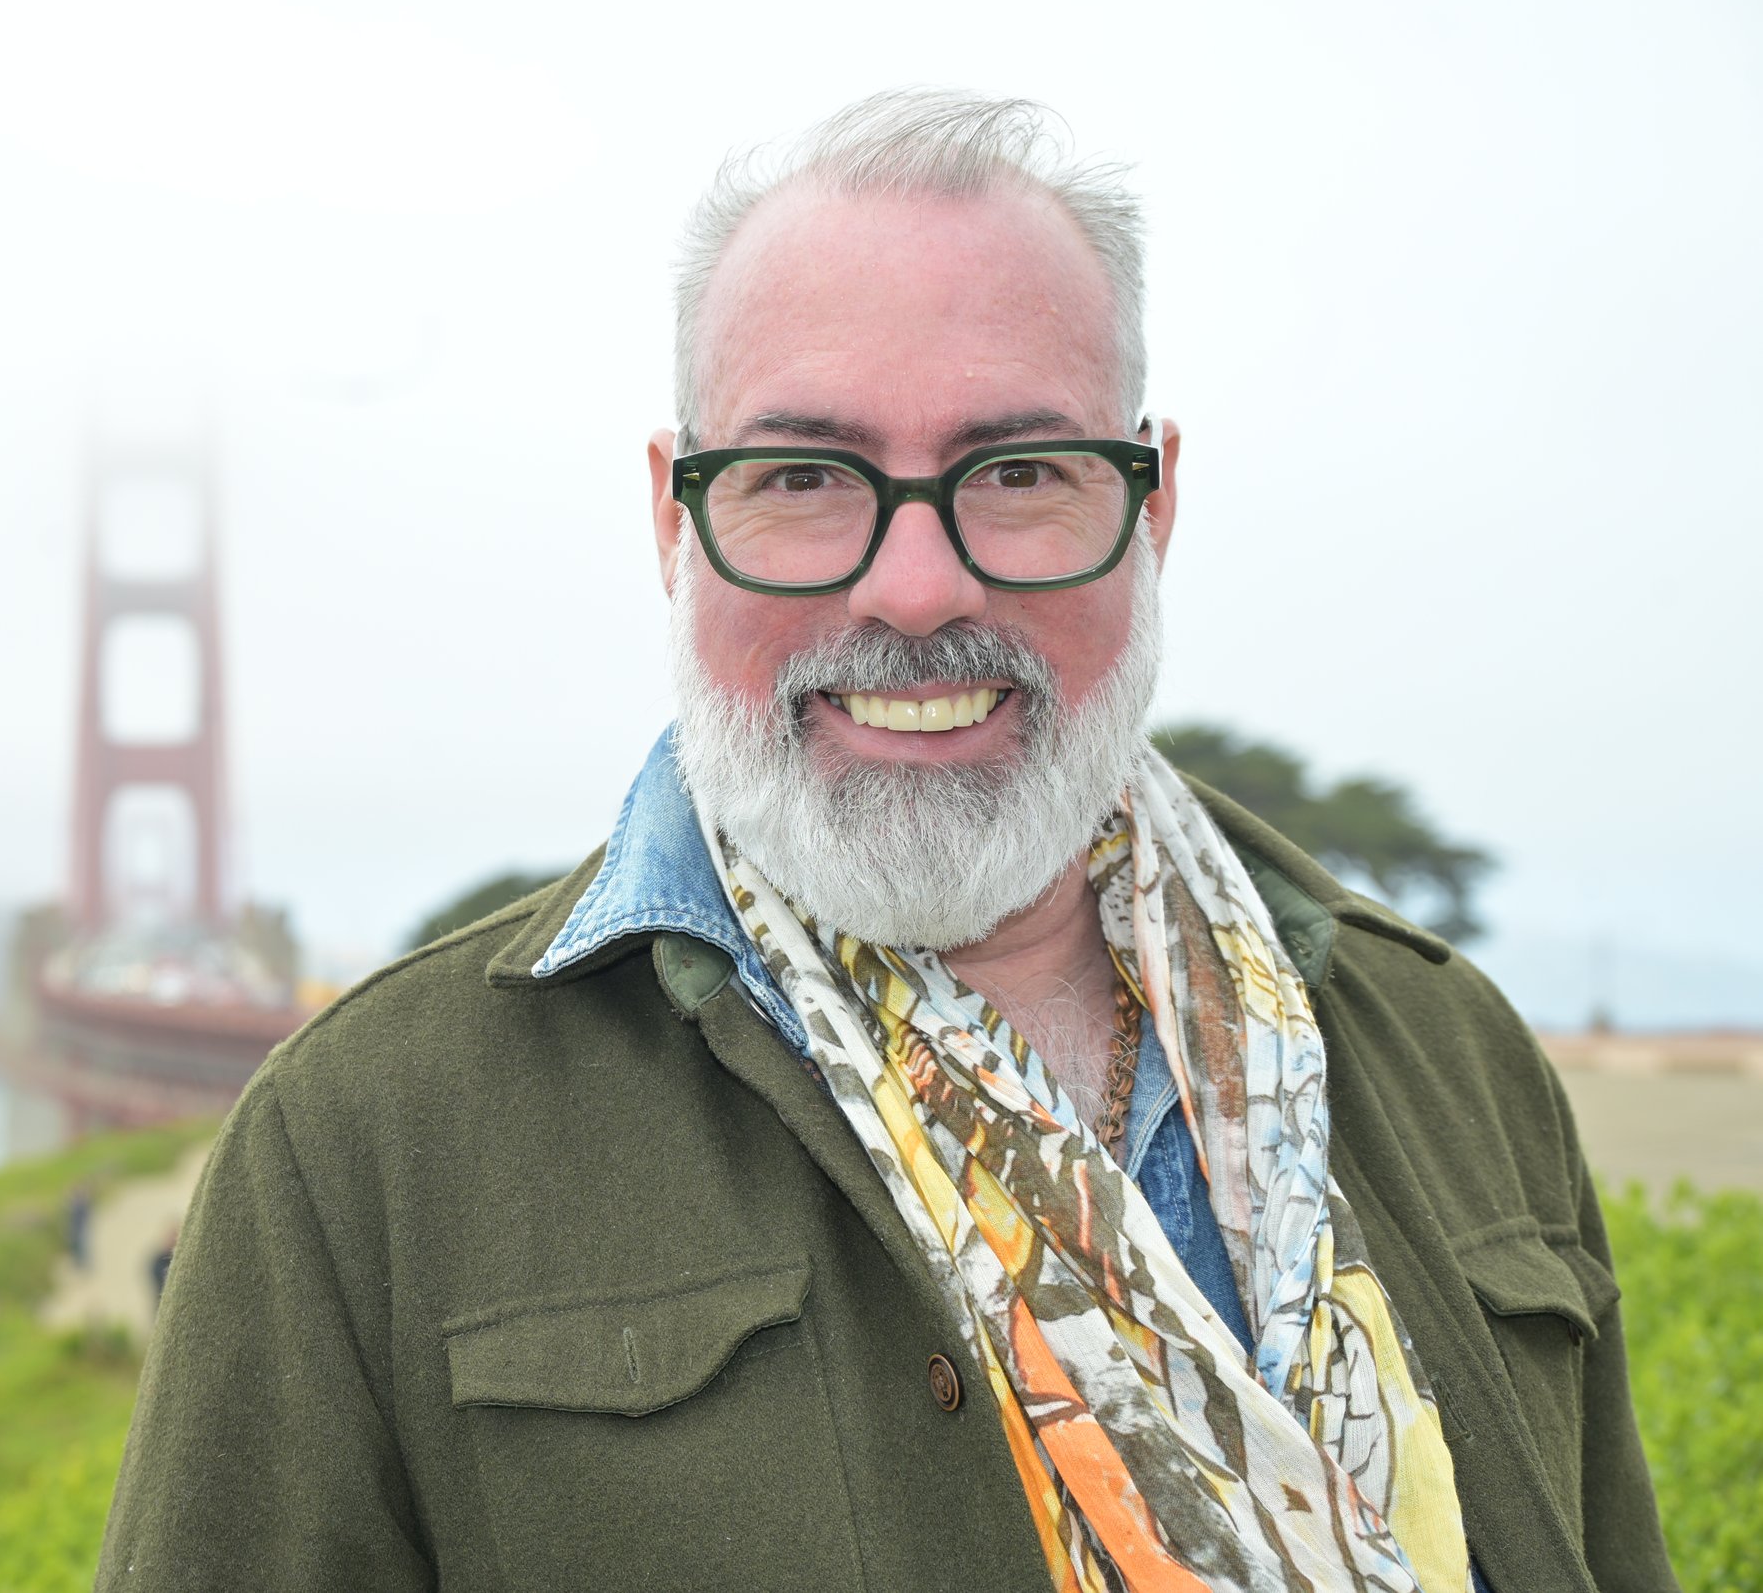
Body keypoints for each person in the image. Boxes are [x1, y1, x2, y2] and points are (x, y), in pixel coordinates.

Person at [93, 90, 1675, 1593]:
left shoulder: (1448, 1055)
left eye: (1022, 472)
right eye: (801, 477)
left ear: (1155, 506)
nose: (915, 590)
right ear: (672, 519)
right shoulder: (360, 1151)